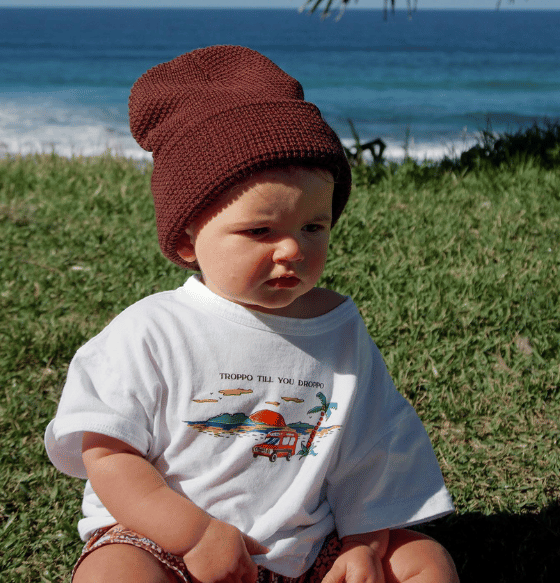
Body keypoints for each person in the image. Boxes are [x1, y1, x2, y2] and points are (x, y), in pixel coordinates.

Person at [46, 45, 459, 583]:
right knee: (114, 572)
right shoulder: (153, 330)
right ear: (188, 237)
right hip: (165, 542)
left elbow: (370, 448)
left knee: (422, 561)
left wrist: (363, 542)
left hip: (305, 540)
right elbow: (107, 455)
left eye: (313, 227)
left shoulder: (338, 329)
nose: (292, 250)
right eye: (260, 231)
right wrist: (192, 534)